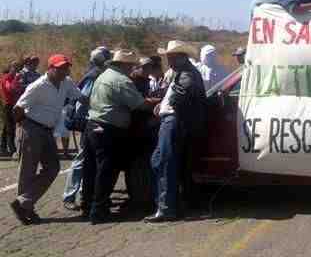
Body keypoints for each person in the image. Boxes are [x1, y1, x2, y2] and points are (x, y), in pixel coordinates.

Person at [9, 55, 86, 225]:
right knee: (28, 171)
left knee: (53, 167)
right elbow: (18, 108)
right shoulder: (38, 86)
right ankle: (26, 208)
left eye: (66, 67)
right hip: (32, 128)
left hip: (47, 130)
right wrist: (23, 126)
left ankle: (23, 203)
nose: (64, 71)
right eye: (60, 68)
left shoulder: (66, 82)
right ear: (50, 68)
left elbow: (80, 97)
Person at [83, 50, 157, 224]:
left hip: (93, 125)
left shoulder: (104, 75)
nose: (133, 68)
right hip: (108, 129)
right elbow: (140, 105)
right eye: (131, 65)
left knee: (92, 169)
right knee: (106, 171)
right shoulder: (121, 80)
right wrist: (157, 101)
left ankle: (89, 206)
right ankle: (99, 211)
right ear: (124, 65)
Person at [145, 41, 206, 223]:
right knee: (160, 162)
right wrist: (163, 103)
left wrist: (168, 103)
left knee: (164, 163)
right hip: (172, 120)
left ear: (181, 57)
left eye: (171, 57)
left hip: (173, 121)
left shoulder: (186, 74)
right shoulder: (183, 73)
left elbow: (180, 96)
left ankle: (166, 208)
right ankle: (169, 204)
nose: (168, 60)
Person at [62, 47, 111, 211]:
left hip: (89, 120)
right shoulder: (94, 75)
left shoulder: (97, 73)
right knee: (82, 158)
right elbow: (82, 99)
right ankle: (69, 196)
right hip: (87, 121)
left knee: (87, 159)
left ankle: (84, 193)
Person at [1, 62, 24, 157]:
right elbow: (10, 88)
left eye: (17, 68)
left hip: (13, 104)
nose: (16, 70)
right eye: (14, 68)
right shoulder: (6, 78)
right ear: (10, 68)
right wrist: (16, 80)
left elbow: (18, 89)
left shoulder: (15, 78)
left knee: (7, 127)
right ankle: (12, 148)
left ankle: (2, 147)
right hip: (8, 104)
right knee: (10, 127)